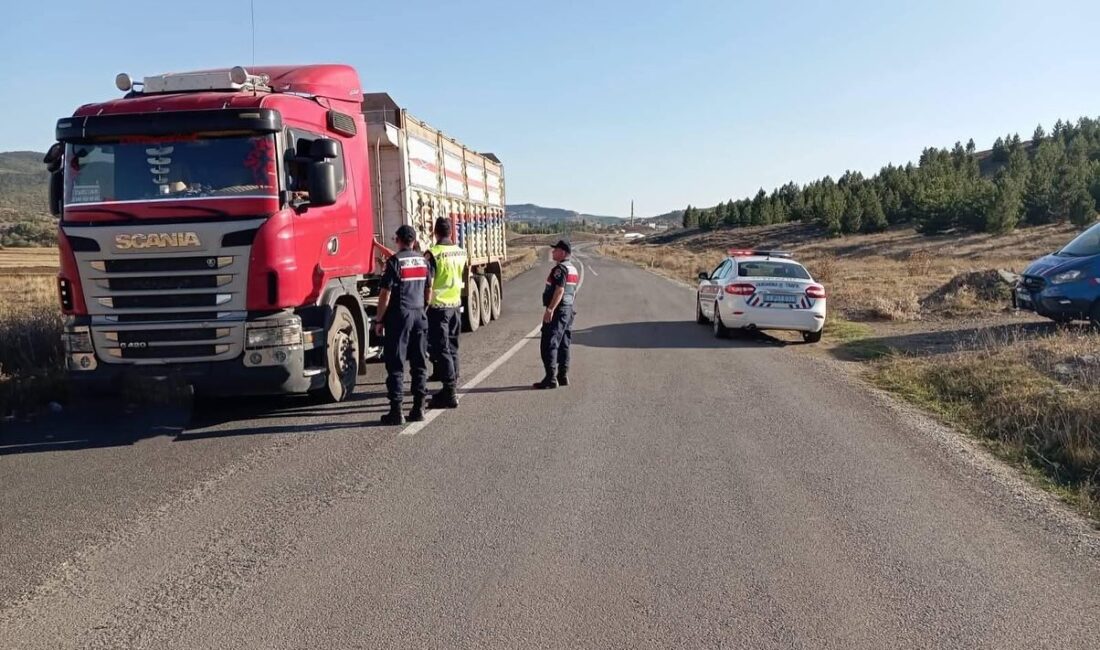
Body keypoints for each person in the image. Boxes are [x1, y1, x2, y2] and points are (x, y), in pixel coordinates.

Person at [373, 225, 430, 425]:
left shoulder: (395, 262)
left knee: (396, 364)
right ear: (413, 241)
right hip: (419, 314)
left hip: (400, 317)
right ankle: (419, 408)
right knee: (419, 363)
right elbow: (428, 291)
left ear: (398, 240)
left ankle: (396, 411)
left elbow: (385, 294)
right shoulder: (424, 261)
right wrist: (423, 309)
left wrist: (379, 320)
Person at [424, 217, 468, 409]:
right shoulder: (461, 252)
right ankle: (453, 385)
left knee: (441, 350)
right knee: (452, 347)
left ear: (435, 232)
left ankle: (449, 392)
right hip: (455, 305)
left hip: (438, 307)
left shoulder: (433, 254)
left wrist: (424, 305)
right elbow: (464, 276)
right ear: (451, 232)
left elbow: (429, 283)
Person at [534, 240, 579, 389]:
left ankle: (550, 378)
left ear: (564, 253)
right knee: (564, 343)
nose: (552, 252)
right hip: (568, 310)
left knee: (549, 343)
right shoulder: (573, 268)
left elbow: (559, 290)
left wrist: (550, 309)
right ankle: (562, 375)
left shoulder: (560, 269)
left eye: (556, 250)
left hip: (559, 310)